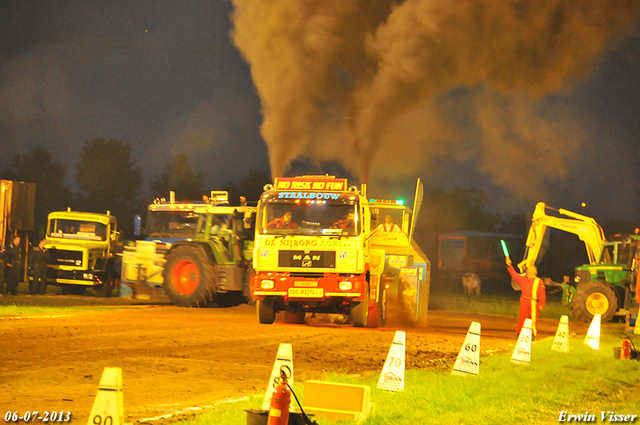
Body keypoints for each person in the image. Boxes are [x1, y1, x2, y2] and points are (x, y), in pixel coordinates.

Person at [506, 256, 546, 337]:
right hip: (524, 299)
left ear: (535, 271)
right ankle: (519, 332)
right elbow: (514, 274)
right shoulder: (523, 278)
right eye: (528, 269)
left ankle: (533, 333)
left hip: (533, 302)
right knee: (522, 317)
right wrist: (509, 266)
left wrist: (542, 304)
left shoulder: (539, 281)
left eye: (531, 270)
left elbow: (542, 293)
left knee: (533, 318)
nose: (529, 271)